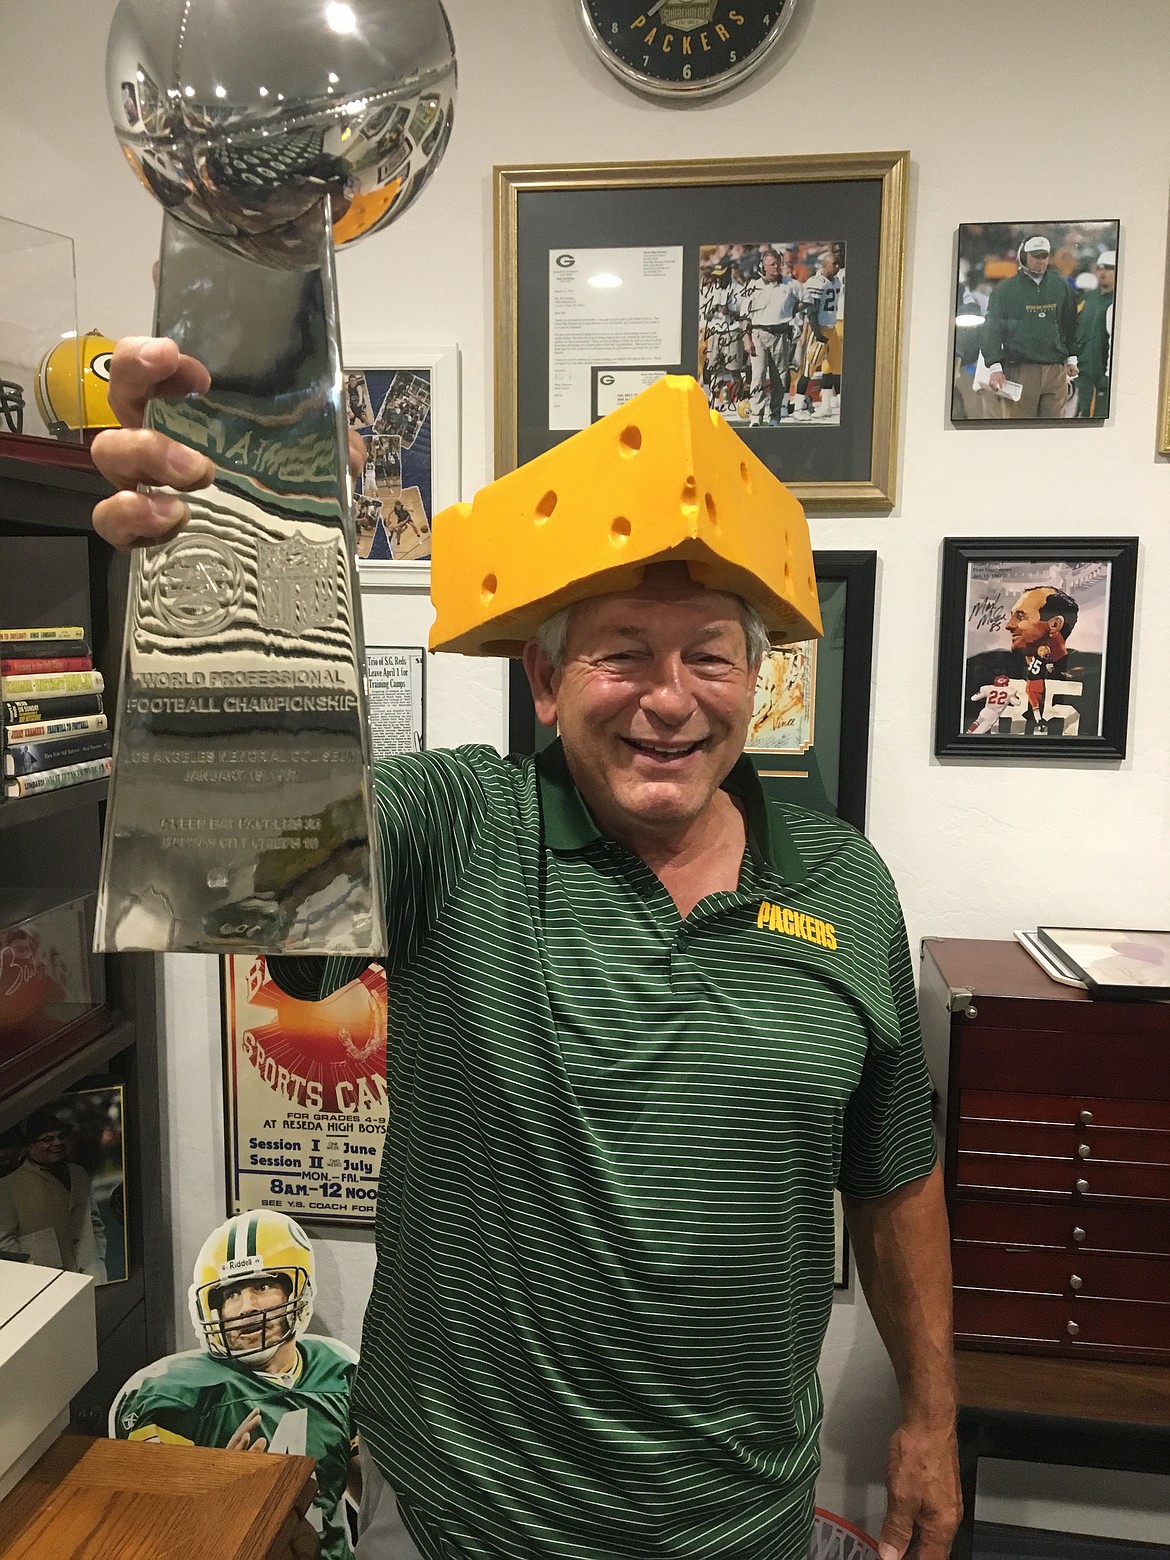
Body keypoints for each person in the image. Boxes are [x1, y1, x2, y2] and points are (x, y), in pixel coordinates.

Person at [91, 336, 961, 1560]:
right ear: (546, 681)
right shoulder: (462, 828)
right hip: (463, 1520)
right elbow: (222, 865)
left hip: (741, 1522)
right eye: (621, 653)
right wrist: (220, 579)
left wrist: (931, 1414)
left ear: (754, 687)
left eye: (710, 655)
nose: (671, 697)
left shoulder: (845, 884)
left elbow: (893, 1174)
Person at [110, 1210, 359, 1560]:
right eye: (230, 1294)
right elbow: (154, 1535)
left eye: (262, 1286)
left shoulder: (338, 1371)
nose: (246, 1308)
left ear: (296, 1291)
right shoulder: (168, 1396)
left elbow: (367, 1490)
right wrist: (218, 1494)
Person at [963, 585, 1102, 739]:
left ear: (1054, 624)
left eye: (1020, 616)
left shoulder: (1098, 671)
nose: (1009, 625)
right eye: (1012, 616)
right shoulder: (983, 665)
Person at [0, 1109, 107, 1279]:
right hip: (48, 1284)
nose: (57, 1143)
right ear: (30, 1147)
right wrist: (33, 1272)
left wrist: (97, 1256)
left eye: (61, 1137)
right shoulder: (8, 1185)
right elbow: (5, 1242)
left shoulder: (79, 1174)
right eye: (48, 1139)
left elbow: (95, 1221)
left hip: (92, 1276)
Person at [981, 236, 1079, 419]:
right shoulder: (1005, 291)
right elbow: (992, 329)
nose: (1041, 260)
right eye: (1035, 256)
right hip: (1021, 370)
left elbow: (1070, 324)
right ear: (1023, 256)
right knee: (1019, 428)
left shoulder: (1061, 288)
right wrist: (995, 367)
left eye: (1044, 255)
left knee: (1054, 429)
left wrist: (1072, 358)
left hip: (1055, 371)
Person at [742, 248, 804, 425]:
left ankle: (775, 415)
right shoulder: (753, 286)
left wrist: (792, 311)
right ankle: (755, 415)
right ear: (764, 266)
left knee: (780, 377)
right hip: (758, 334)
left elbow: (806, 300)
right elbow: (745, 317)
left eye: (778, 263)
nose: (776, 267)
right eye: (772, 264)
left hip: (780, 334)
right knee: (758, 375)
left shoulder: (790, 284)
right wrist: (746, 339)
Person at [796, 245, 845, 422]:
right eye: (834, 264)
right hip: (820, 328)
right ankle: (797, 407)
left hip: (831, 328)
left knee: (832, 367)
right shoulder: (817, 282)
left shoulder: (836, 281)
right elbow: (811, 310)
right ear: (824, 265)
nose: (837, 267)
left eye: (838, 264)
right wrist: (816, 333)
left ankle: (826, 406)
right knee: (809, 368)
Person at [1074, 249, 1115, 418]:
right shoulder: (1088, 298)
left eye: (1108, 268)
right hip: (1080, 374)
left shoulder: (1119, 300)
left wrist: (1107, 375)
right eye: (1099, 267)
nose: (1102, 272)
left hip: (1101, 378)